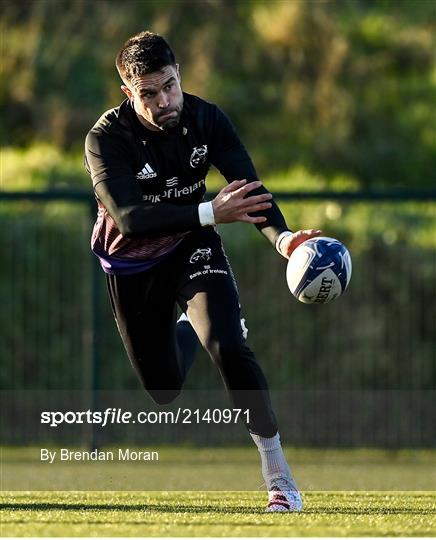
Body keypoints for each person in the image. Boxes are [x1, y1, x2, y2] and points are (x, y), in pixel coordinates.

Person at [84, 31, 320, 512]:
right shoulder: (105, 139)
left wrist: (285, 240)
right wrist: (211, 212)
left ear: (179, 75)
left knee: (230, 346)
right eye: (148, 93)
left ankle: (280, 481)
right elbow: (129, 218)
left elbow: (247, 189)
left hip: (193, 245)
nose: (163, 101)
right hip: (132, 263)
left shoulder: (206, 118)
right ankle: (191, 328)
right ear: (128, 92)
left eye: (170, 85)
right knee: (164, 388)